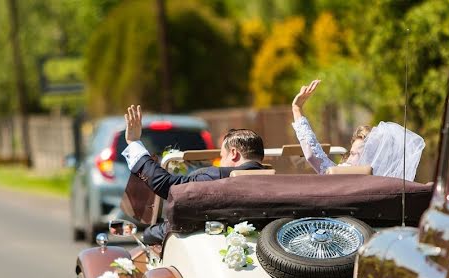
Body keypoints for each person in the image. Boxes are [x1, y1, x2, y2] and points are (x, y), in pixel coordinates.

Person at [121, 104, 266, 244]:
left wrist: (133, 143)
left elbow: (167, 185)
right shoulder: (275, 181)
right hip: (266, 244)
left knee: (150, 233)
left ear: (233, 153)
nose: (221, 162)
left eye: (222, 156)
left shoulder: (216, 177)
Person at [290, 79, 425, 181]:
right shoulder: (392, 185)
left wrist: (297, 109)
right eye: (350, 153)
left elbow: (312, 155)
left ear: (373, 159)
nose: (347, 159)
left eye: (355, 154)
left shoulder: (342, 177)